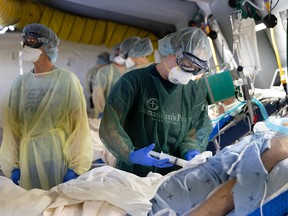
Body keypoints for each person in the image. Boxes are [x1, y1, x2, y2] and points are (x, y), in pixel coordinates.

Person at [99, 27, 213, 177]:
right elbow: (111, 126)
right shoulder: (133, 82)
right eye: (187, 64)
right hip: (134, 173)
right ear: (172, 52)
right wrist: (130, 154)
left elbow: (197, 127)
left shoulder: (193, 92)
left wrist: (191, 149)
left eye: (196, 69)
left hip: (173, 175)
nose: (189, 72)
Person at [0, 23, 93, 190]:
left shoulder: (67, 81)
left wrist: (76, 167)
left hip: (57, 156)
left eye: (32, 40)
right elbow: (11, 128)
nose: (27, 45)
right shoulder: (20, 84)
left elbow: (79, 127)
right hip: (27, 159)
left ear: (48, 46)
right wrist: (12, 164)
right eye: (25, 40)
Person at [149, 119, 288, 216]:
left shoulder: (278, 147)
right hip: (157, 195)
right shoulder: (276, 142)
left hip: (162, 198)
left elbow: (228, 197)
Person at [92, 44, 126, 119]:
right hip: (107, 113)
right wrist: (103, 112)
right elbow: (98, 94)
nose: (119, 55)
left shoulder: (131, 70)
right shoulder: (104, 71)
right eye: (117, 53)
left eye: (122, 53)